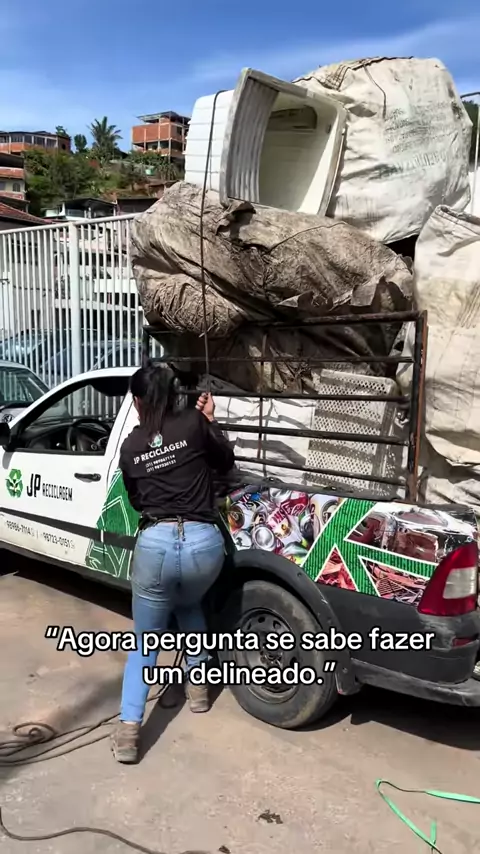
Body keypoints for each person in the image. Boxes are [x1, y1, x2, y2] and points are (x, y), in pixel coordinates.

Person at [111, 362, 235, 763]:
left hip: (157, 545)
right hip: (205, 546)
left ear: (138, 401)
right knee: (188, 603)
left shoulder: (130, 447)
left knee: (145, 641)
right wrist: (210, 420)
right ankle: (199, 692)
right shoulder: (194, 425)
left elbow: (136, 501)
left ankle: (129, 731)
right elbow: (225, 461)